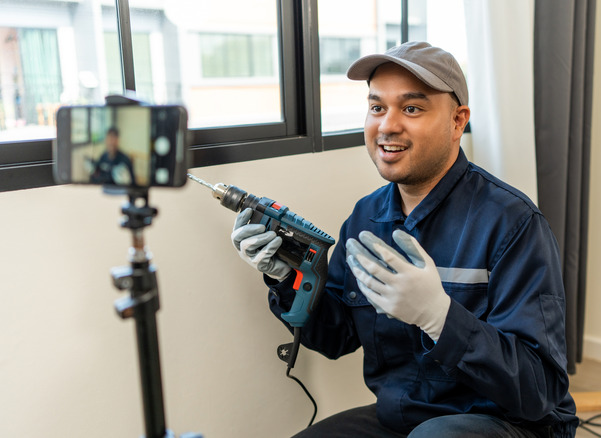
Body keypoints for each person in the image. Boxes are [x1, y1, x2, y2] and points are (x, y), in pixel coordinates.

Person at [231, 41, 578, 437]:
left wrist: (440, 318)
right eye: (377, 107)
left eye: (412, 108)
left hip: (510, 424)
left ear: (457, 121)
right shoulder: (366, 218)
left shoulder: (512, 224)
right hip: (405, 418)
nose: (387, 125)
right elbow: (334, 337)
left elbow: (539, 389)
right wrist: (290, 276)